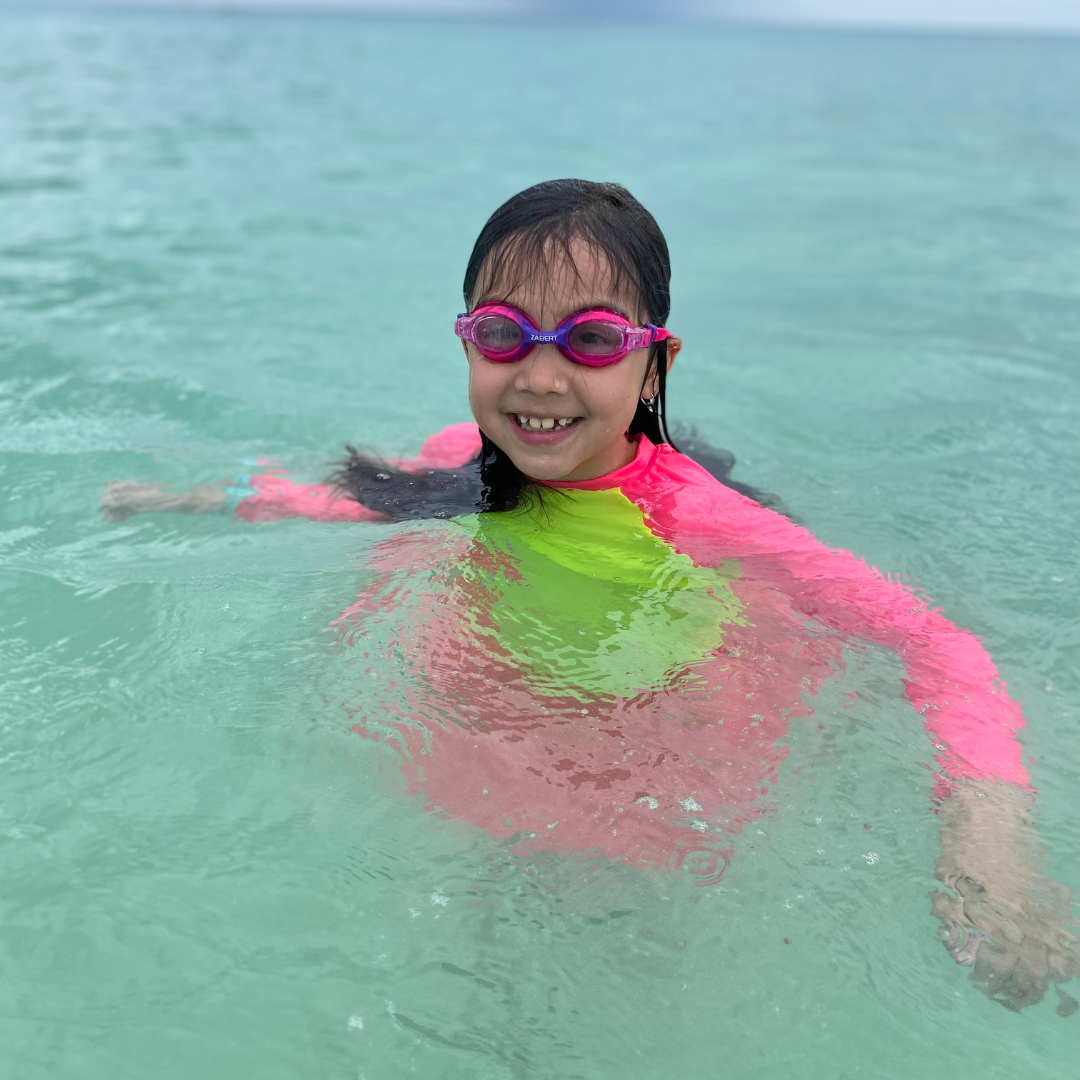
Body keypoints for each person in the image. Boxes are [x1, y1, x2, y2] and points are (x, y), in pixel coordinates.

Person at [102, 179, 1076, 1013]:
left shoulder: (706, 521)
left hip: (653, 775)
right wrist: (196, 499)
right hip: (505, 738)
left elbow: (937, 645)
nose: (540, 373)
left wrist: (991, 838)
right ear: (467, 344)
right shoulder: (460, 461)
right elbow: (353, 498)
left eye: (594, 339)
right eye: (500, 333)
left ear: (658, 362)